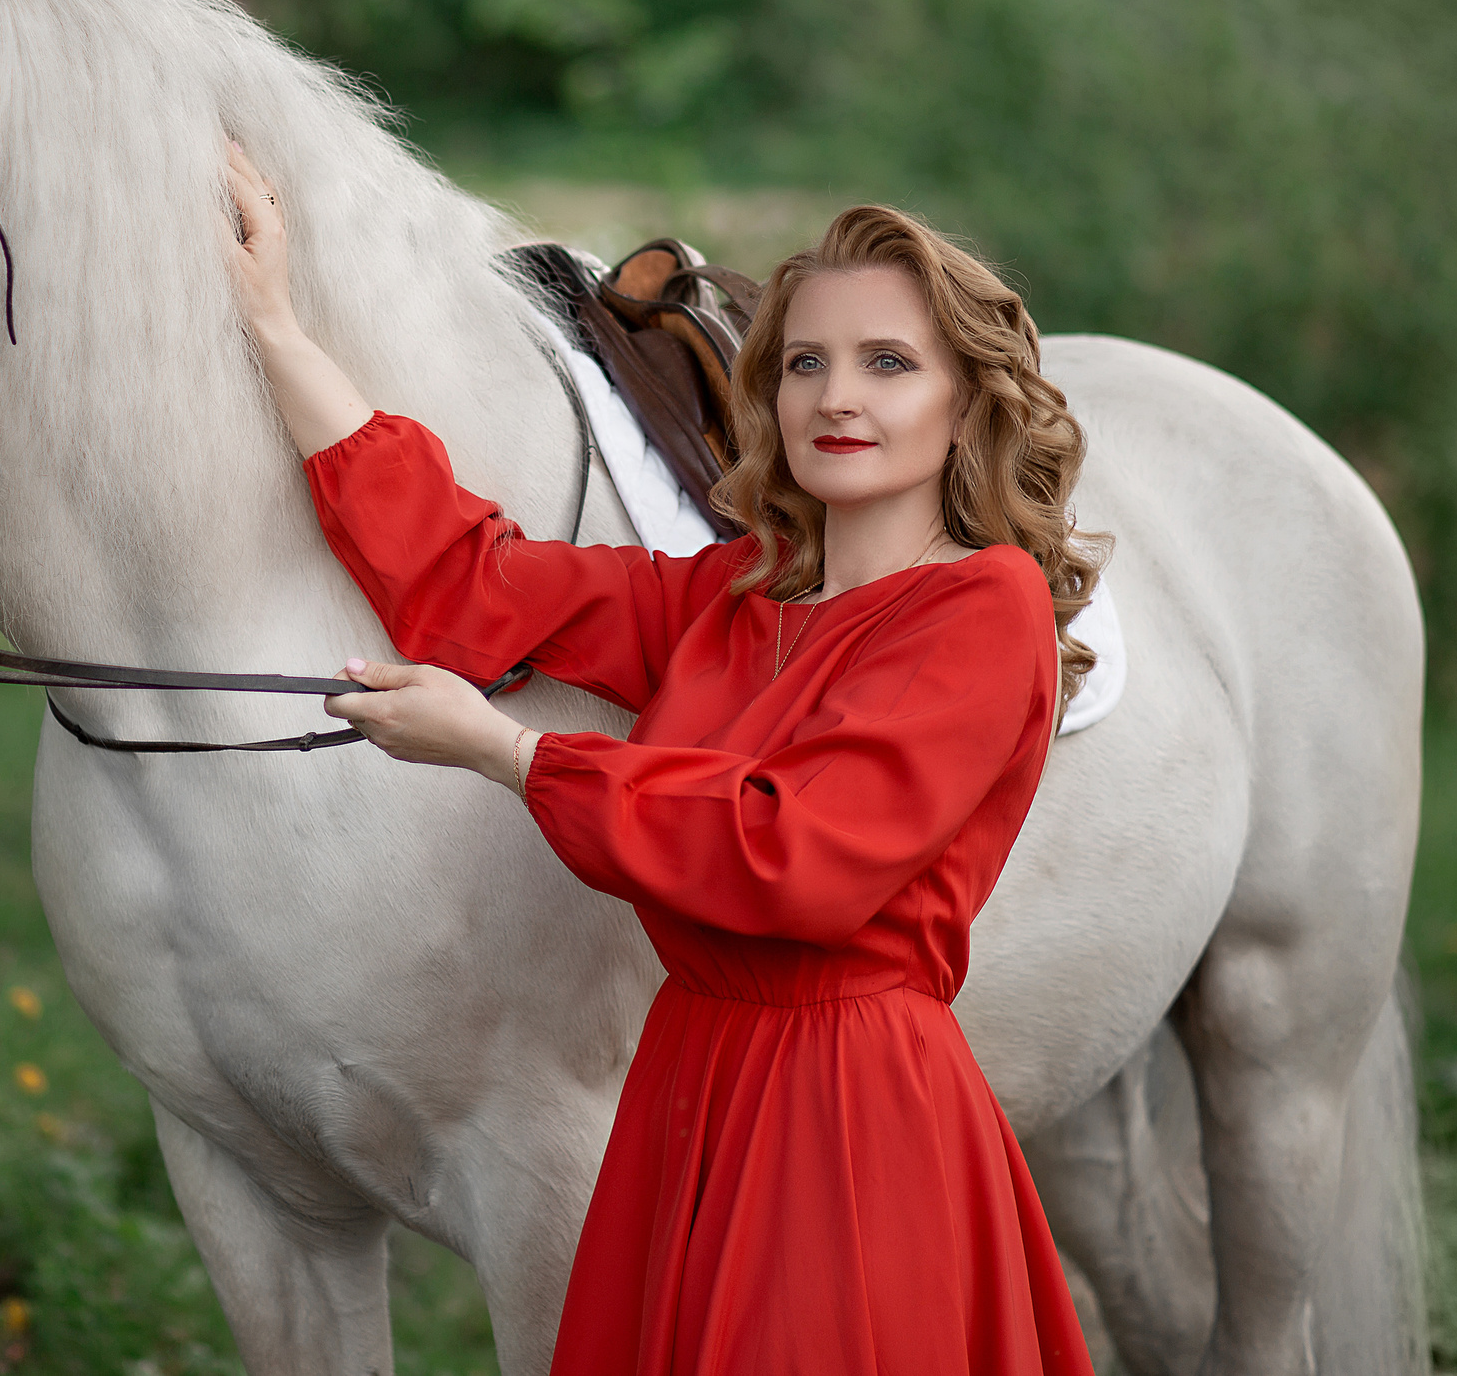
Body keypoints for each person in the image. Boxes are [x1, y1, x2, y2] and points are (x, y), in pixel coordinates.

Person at [224, 141, 1101, 1375]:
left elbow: (794, 853)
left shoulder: (980, 605)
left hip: (846, 1103)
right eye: (806, 363)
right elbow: (472, 584)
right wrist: (275, 332)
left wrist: (508, 755)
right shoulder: (734, 598)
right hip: (696, 1077)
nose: (835, 397)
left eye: (887, 364)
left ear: (966, 402)